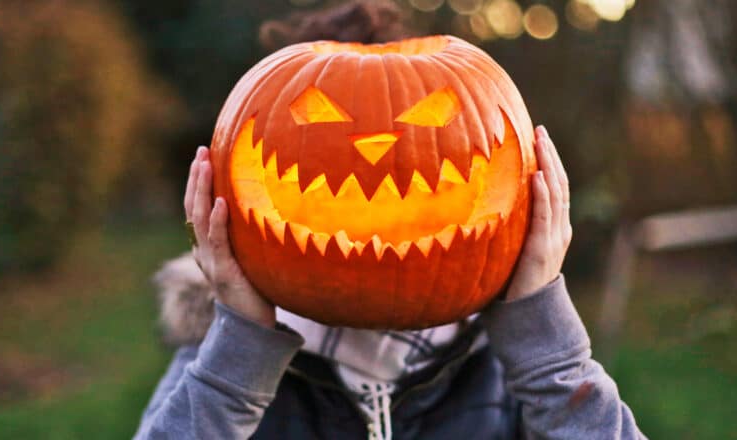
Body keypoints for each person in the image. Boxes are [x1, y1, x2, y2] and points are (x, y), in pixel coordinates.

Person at [133, 123, 645, 439]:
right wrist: (239, 349)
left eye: (428, 117)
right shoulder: (220, 370)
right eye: (317, 118)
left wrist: (546, 345)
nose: (375, 145)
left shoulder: (510, 377)